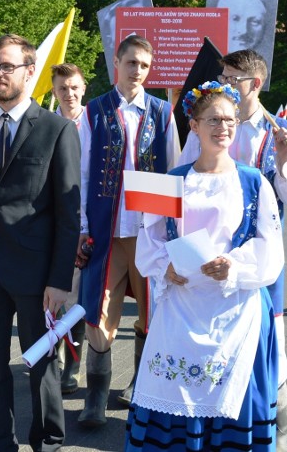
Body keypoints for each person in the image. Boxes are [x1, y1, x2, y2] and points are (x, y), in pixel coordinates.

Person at [126, 82, 283, 451]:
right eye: (213, 119)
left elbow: (271, 248)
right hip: (181, 308)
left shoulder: (254, 181)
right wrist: (164, 266)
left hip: (236, 311)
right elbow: (147, 241)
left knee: (233, 404)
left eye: (230, 119)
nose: (223, 127)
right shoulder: (170, 180)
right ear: (194, 125)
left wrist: (234, 266)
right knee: (173, 398)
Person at [0, 34, 81, 451]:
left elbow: (69, 212)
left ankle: (48, 444)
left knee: (41, 368)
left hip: (37, 274)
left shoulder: (57, 130)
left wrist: (60, 279)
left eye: (6, 67)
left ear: (29, 71)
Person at [178, 49, 287, 451]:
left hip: (257, 258)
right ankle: (211, 428)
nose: (222, 84)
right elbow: (181, 180)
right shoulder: (206, 124)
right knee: (209, 338)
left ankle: (277, 430)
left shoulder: (282, 131)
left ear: (253, 84)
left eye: (231, 78)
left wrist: (286, 160)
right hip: (205, 257)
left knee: (271, 341)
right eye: (221, 76)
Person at [77, 35, 181, 427]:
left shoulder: (162, 113)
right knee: (100, 312)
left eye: (144, 65)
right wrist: (83, 227)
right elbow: (84, 172)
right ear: (116, 63)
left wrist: (171, 232)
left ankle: (142, 389)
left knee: (151, 312)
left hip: (148, 232)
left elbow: (172, 173)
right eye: (131, 62)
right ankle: (95, 399)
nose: (137, 71)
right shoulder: (94, 111)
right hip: (107, 231)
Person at [49, 63, 88, 394]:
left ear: (83, 88)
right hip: (50, 223)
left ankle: (72, 365)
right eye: (63, 88)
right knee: (50, 295)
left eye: (74, 87)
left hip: (83, 222)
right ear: (54, 92)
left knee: (75, 295)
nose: (69, 93)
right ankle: (54, 357)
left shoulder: (94, 123)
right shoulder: (46, 125)